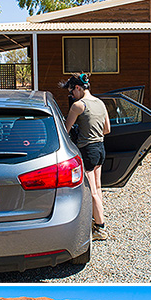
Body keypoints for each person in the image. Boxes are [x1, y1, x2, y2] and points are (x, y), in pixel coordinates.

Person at [62, 74, 111, 240]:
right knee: (97, 188)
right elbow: (107, 129)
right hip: (101, 149)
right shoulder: (100, 103)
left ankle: (100, 228)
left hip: (88, 150)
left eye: (71, 92)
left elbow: (65, 131)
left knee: (92, 193)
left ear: (78, 88)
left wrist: (80, 132)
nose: (71, 96)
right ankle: (98, 219)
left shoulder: (78, 106)